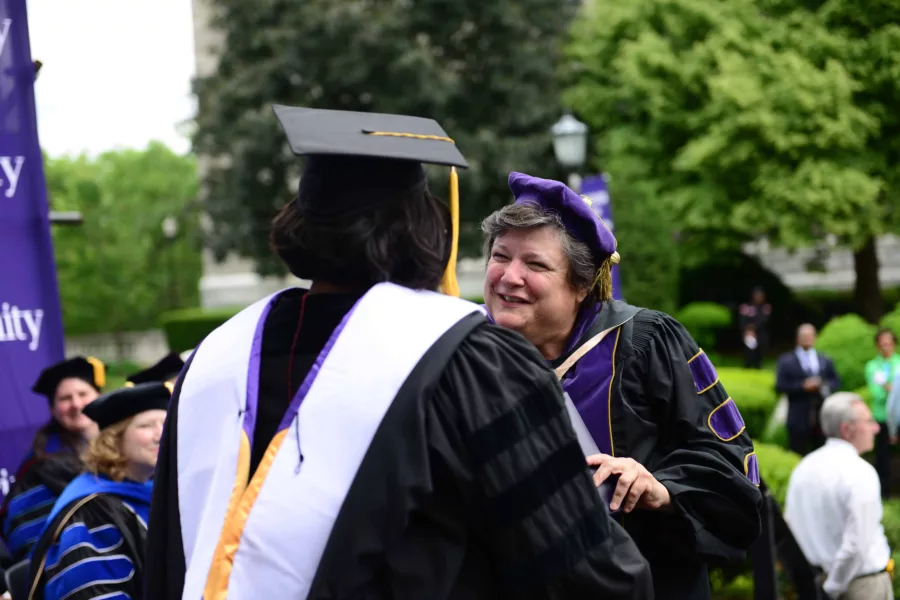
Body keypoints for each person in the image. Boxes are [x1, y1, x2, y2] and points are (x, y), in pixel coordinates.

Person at [144, 106, 654, 600]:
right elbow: (580, 565)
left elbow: (169, 557)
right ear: (420, 226)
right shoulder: (465, 355)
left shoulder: (215, 354)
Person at [480, 172, 762, 599]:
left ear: (580, 285)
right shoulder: (474, 354)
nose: (508, 276)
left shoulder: (644, 342)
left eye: (534, 264)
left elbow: (729, 463)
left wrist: (661, 489)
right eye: (501, 256)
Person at [26, 381, 169, 600]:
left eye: (165, 423)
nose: (161, 435)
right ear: (114, 439)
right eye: (147, 426)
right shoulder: (94, 512)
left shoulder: (147, 492)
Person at [784, 392, 893, 600]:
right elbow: (857, 545)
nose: (876, 428)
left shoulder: (804, 466)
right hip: (859, 587)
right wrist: (832, 588)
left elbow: (790, 528)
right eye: (869, 421)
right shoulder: (860, 472)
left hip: (816, 582)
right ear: (846, 429)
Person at [0, 356, 106, 562]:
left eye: (83, 394)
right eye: (65, 399)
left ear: (100, 396)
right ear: (52, 410)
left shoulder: (124, 445)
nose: (76, 404)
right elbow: (27, 536)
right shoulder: (41, 463)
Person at [775, 324, 841, 456]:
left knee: (821, 453)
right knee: (797, 453)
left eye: (810, 336)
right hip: (798, 414)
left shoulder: (824, 359)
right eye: (804, 336)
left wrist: (823, 385)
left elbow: (836, 381)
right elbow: (779, 386)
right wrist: (802, 386)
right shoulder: (786, 360)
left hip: (820, 415)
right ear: (797, 339)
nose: (807, 339)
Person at [865, 328, 900, 498]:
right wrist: (892, 389)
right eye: (882, 344)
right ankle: (884, 491)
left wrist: (887, 387)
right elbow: (877, 394)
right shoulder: (872, 366)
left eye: (889, 343)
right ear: (878, 346)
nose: (886, 347)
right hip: (881, 416)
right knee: (882, 455)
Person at [738, 287, 772, 369]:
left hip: (760, 333)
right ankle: (748, 365)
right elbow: (742, 319)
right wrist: (748, 329)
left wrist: (754, 327)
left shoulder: (765, 307)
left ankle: (758, 365)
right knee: (749, 350)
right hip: (748, 333)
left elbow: (764, 320)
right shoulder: (746, 306)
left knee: (760, 350)